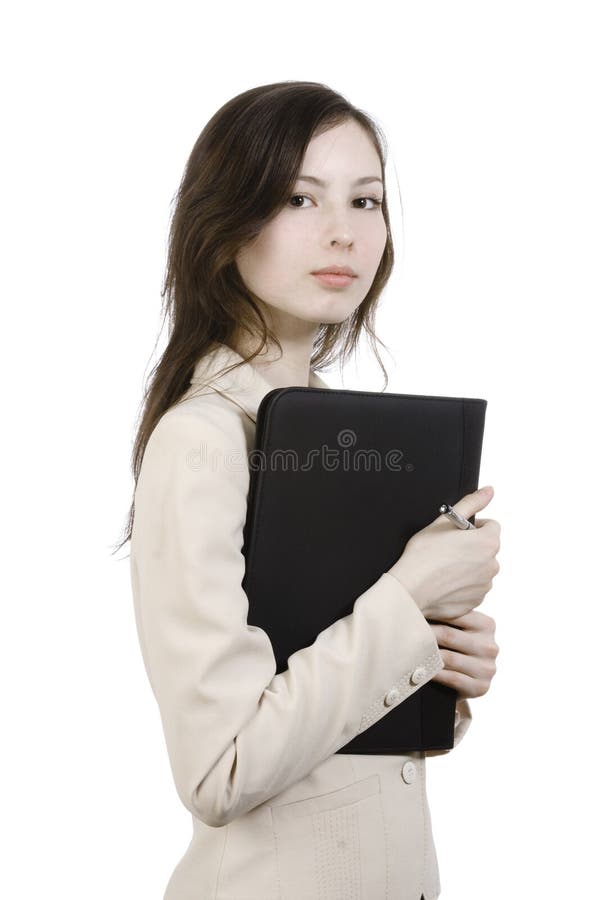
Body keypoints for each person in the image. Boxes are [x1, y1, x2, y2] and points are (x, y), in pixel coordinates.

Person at [115, 81, 501, 900]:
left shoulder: (339, 433)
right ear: (226, 223)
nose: (344, 232)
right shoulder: (203, 438)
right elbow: (220, 771)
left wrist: (441, 670)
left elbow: (337, 717)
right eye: (299, 197)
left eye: (367, 200)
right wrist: (407, 601)